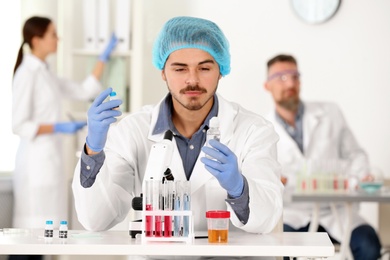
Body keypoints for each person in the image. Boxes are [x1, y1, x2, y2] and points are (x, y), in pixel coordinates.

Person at [72, 15, 283, 251]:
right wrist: (93, 150)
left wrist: (239, 189)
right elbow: (96, 220)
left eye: (204, 68)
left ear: (221, 70)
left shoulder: (254, 131)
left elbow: (267, 218)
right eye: (180, 68)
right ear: (163, 72)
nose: (192, 80)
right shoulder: (133, 131)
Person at [263, 54, 381, 260]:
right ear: (267, 85)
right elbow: (261, 176)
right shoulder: (261, 128)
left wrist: (356, 178)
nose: (290, 83)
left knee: (368, 244)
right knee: (280, 251)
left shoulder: (330, 113)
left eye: (294, 76)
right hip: (293, 213)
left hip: (336, 211)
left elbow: (356, 155)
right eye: (281, 77)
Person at [12, 16, 117, 244]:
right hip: (35, 164)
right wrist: (59, 126)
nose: (57, 39)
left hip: (51, 162)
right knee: (30, 240)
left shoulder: (46, 72)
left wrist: (103, 57)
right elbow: (19, 124)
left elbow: (83, 90)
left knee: (46, 238)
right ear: (36, 39)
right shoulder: (26, 73)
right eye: (53, 34)